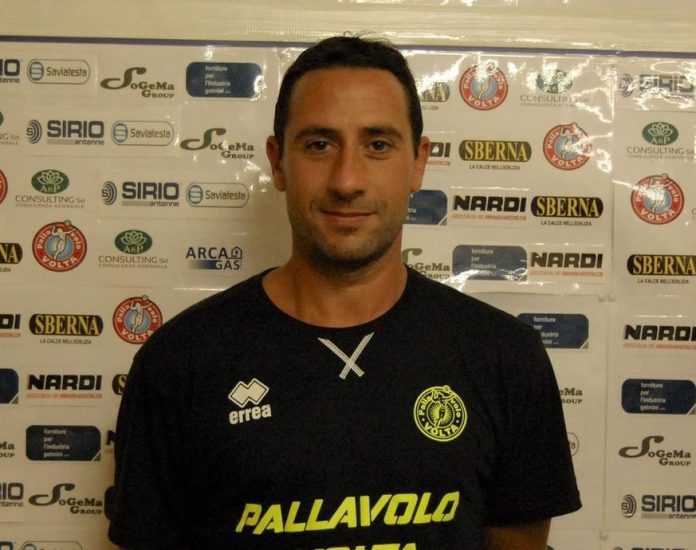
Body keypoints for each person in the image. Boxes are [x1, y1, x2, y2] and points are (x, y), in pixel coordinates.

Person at [107, 35, 581, 549]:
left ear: (418, 162)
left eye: (378, 145)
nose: (347, 180)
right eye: (319, 145)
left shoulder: (505, 357)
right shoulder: (180, 363)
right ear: (278, 162)